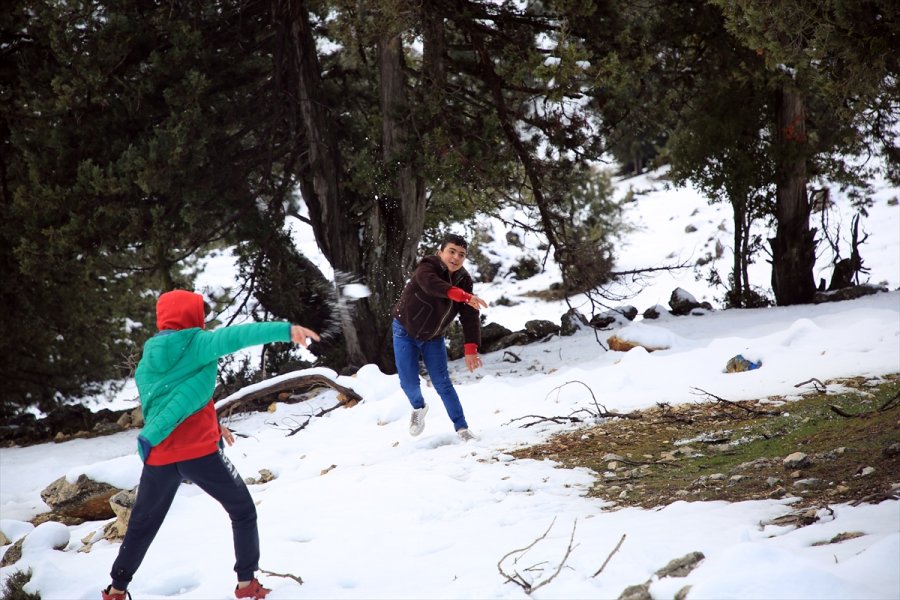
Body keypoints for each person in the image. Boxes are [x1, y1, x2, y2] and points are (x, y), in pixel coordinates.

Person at [101, 290, 320, 600]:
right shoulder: (198, 343)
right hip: (200, 454)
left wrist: (213, 425)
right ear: (193, 315)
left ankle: (115, 590)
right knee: (242, 511)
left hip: (159, 456)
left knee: (141, 525)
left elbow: (167, 406)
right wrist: (287, 330)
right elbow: (240, 336)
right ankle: (247, 584)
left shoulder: (148, 358)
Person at [391, 233, 488, 441]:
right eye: (451, 251)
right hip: (405, 331)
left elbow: (469, 315)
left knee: (443, 383)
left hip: (433, 337)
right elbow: (432, 285)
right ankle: (419, 407)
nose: (456, 257)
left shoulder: (464, 280)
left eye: (461, 254)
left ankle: (462, 428)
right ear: (440, 252)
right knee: (408, 382)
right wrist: (464, 296)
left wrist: (471, 349)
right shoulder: (427, 266)